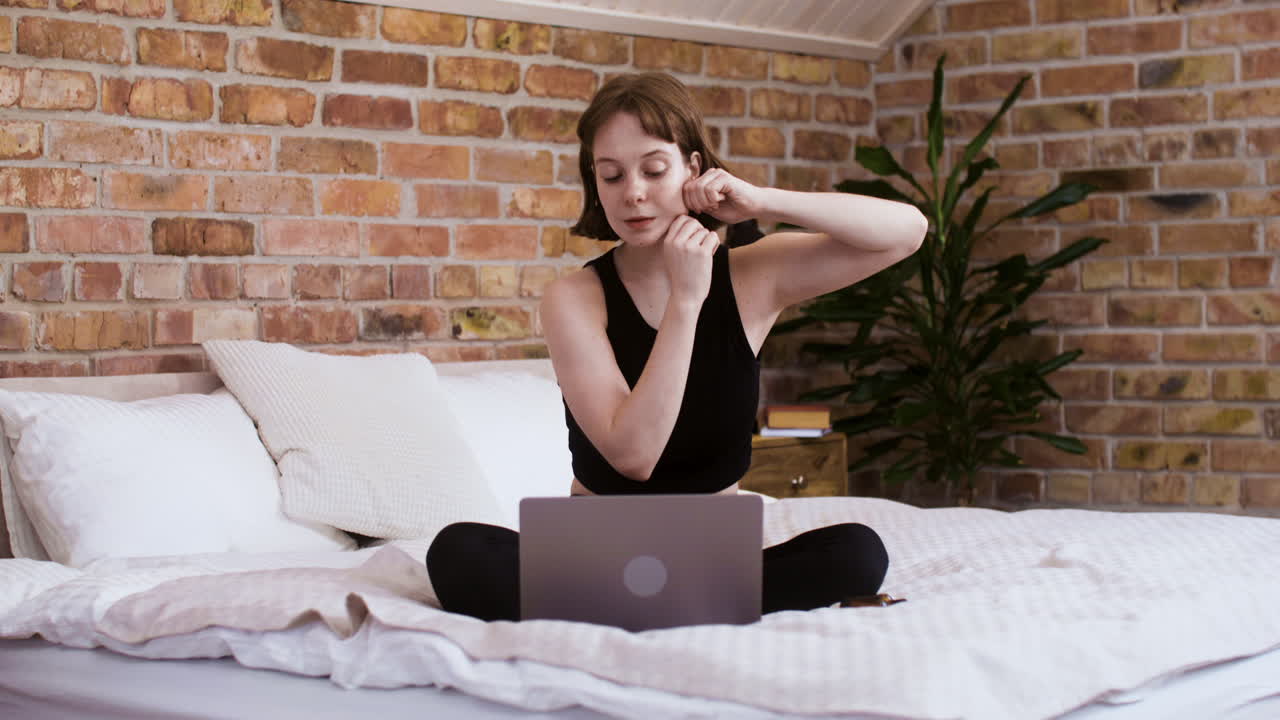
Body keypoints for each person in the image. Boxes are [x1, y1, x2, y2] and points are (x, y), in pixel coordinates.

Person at [427, 72, 927, 622]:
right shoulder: (574, 297)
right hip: (590, 556)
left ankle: (623, 606)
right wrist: (687, 302)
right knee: (458, 551)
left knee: (858, 551)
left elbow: (906, 232)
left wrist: (760, 199)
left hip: (712, 559)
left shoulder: (751, 274)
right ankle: (681, 605)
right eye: (611, 175)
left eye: (653, 169)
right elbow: (634, 456)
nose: (632, 192)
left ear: (693, 168)